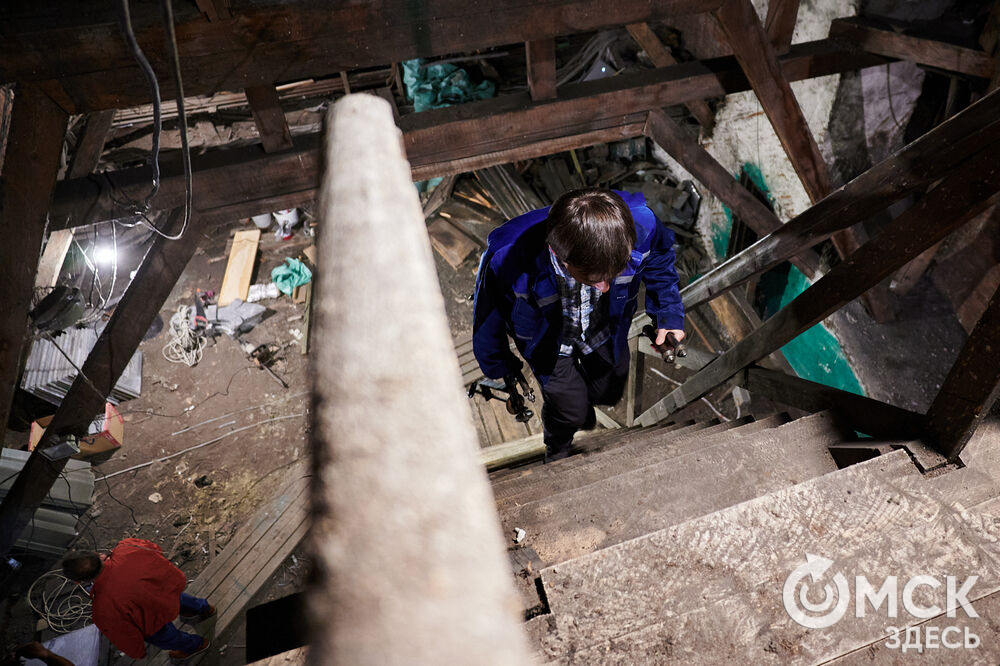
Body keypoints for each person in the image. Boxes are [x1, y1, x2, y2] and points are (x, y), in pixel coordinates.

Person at [473, 188, 685, 461]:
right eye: (596, 278)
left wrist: (667, 313)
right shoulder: (508, 258)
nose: (605, 288)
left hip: (603, 327)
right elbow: (487, 317)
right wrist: (499, 365)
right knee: (569, 410)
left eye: (614, 274)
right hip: (548, 341)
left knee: (610, 385)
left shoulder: (641, 227)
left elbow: (659, 260)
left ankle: (578, 404)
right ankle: (558, 447)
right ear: (559, 255)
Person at [61, 539, 215, 662]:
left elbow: (125, 634)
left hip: (153, 622)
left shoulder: (103, 610)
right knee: (178, 599)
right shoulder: (127, 546)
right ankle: (205, 609)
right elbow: (155, 548)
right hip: (166, 590)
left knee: (167, 637)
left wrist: (138, 652)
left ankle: (196, 645)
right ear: (96, 554)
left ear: (77, 582)